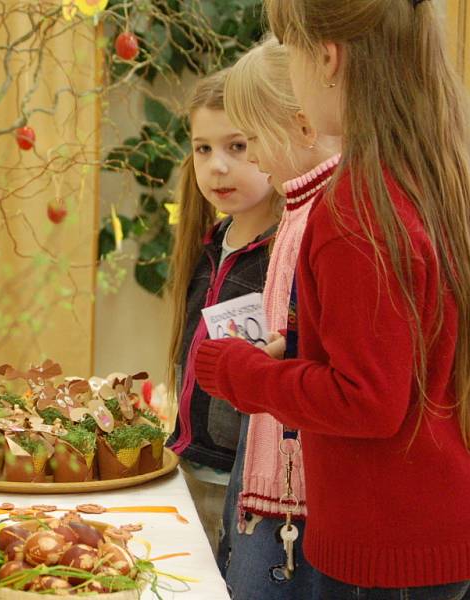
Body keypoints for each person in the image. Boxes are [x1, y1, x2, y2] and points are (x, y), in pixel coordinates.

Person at [195, 1, 470, 597]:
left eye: (289, 53)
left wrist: (237, 369)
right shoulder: (459, 176)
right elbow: (418, 346)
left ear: (326, 59)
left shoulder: (357, 210)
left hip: (396, 543)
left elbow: (365, 400)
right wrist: (297, 347)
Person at [216, 34, 342, 599]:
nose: (254, 159)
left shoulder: (327, 218)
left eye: (249, 142)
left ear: (304, 127)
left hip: (297, 489)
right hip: (268, 459)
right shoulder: (298, 208)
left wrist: (250, 368)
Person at [166, 70, 280, 554]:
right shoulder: (207, 244)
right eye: (203, 149)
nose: (217, 167)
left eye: (236, 146)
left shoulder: (283, 254)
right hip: (187, 466)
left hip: (245, 480)